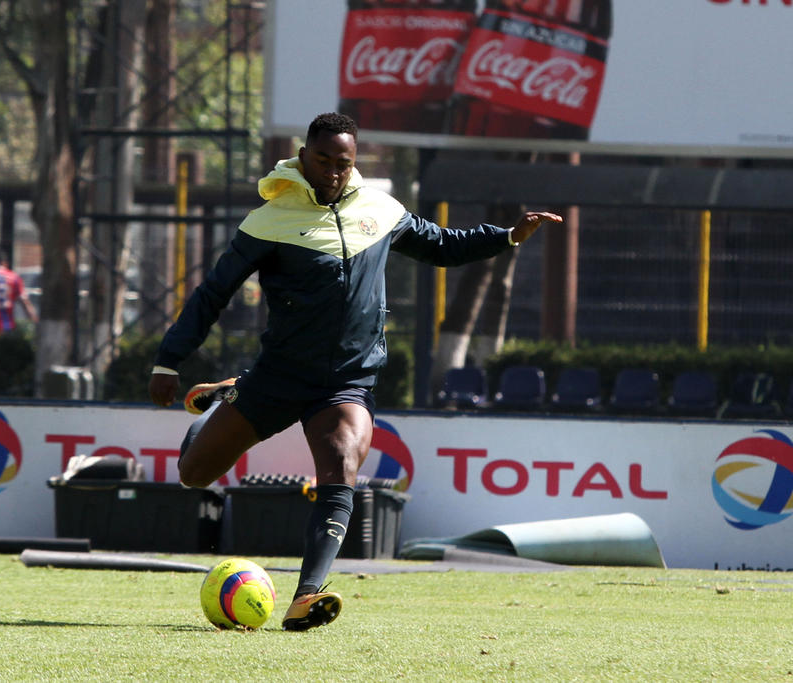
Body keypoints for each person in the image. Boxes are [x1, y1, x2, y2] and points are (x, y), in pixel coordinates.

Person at [148, 112, 562, 631]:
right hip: (277, 377)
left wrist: (507, 236)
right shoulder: (268, 220)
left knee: (343, 462)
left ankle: (307, 595)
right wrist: (170, 359)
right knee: (195, 474)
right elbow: (213, 295)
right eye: (323, 160)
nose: (333, 171)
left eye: (344, 163)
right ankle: (224, 400)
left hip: (346, 381)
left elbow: (443, 246)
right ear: (303, 156)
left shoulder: (380, 210)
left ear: (354, 162)